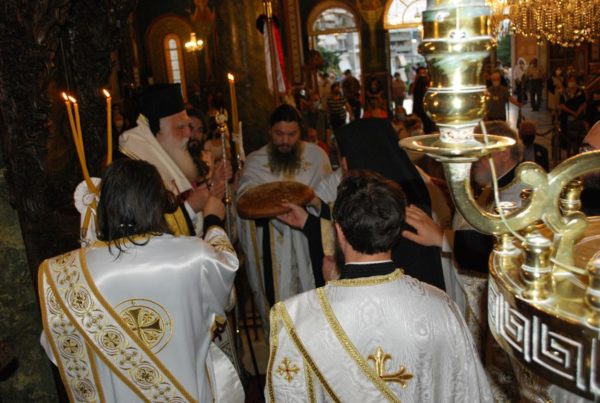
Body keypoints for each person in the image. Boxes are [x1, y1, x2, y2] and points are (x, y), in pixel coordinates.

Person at [266, 171, 492, 402]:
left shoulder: (296, 318)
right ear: (396, 231)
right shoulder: (442, 307)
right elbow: (467, 392)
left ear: (339, 231)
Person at [39, 159, 243, 402]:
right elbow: (225, 282)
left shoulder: (67, 273)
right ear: (156, 203)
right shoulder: (194, 258)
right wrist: (213, 222)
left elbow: (56, 345)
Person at [236, 104, 332, 332]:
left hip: (309, 244)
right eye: (279, 134)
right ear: (270, 131)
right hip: (270, 247)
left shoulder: (317, 157)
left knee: (313, 314)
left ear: (300, 132)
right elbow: (244, 200)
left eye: (292, 134)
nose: (285, 141)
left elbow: (329, 198)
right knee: (278, 308)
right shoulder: (255, 161)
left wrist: (313, 202)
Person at [119, 84, 228, 236]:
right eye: (180, 127)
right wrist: (191, 206)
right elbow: (147, 232)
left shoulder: (169, 155)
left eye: (188, 126)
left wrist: (209, 189)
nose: (188, 134)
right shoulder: (135, 173)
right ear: (155, 133)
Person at [559, 75, 587, 156]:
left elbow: (584, 103)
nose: (572, 82)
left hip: (578, 113)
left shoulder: (580, 91)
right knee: (565, 123)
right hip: (566, 114)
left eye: (573, 80)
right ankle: (566, 144)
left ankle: (582, 142)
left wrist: (578, 112)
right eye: (570, 80)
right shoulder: (564, 92)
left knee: (584, 122)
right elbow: (562, 105)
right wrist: (572, 113)